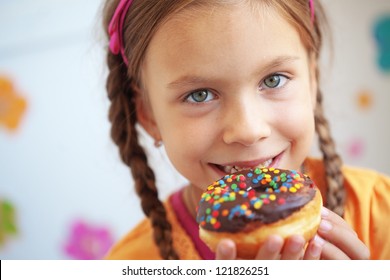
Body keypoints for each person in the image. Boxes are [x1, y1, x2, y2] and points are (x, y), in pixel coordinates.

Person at [102, 0, 390, 260]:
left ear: (312, 80)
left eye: (274, 80)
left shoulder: (380, 209)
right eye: (199, 95)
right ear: (149, 116)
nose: (248, 130)